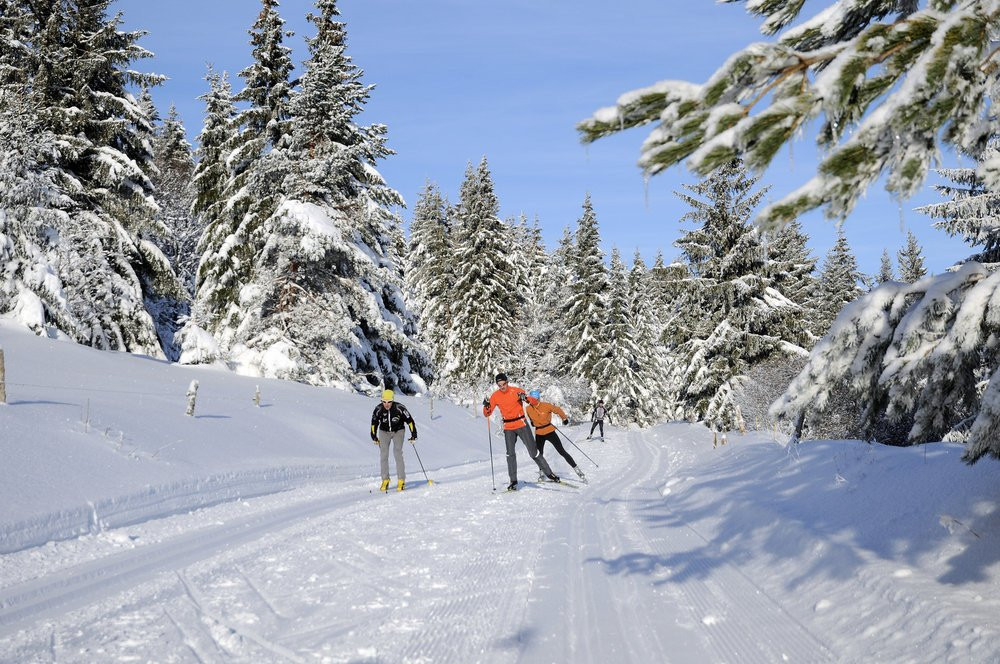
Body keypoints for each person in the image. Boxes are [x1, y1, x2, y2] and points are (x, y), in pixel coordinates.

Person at [483, 372, 559, 491]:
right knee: (510, 454)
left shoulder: (516, 391)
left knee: (533, 452)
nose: (502, 387)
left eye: (503, 384)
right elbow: (487, 413)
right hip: (508, 427)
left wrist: (526, 398)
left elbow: (534, 402)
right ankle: (513, 481)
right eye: (499, 385)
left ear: (507, 382)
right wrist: (486, 406)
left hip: (521, 424)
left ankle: (549, 473)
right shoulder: (495, 396)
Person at [525, 389, 586, 482]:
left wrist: (564, 418)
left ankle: (577, 469)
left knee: (561, 451)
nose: (533, 401)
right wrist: (533, 422)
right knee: (539, 455)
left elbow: (558, 410)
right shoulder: (528, 409)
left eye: (535, 399)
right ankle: (542, 472)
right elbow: (530, 418)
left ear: (538, 399)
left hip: (550, 431)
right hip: (539, 433)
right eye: (532, 399)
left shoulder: (546, 405)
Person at [370, 389, 417, 492]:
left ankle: (401, 480)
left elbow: (410, 421)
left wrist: (414, 435)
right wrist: (373, 436)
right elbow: (374, 422)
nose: (386, 404)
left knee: (397, 453)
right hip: (384, 432)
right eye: (384, 402)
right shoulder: (378, 409)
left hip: (398, 431)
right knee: (383, 455)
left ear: (393, 400)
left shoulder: (399, 408)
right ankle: (385, 479)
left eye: (389, 402)